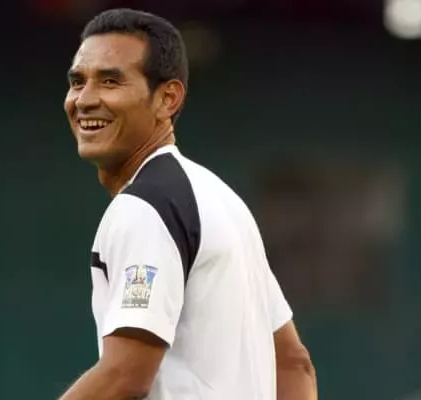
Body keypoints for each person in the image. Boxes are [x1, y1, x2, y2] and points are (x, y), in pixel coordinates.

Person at [59, 8, 317, 400]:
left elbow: (125, 375)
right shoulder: (223, 201)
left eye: (110, 81)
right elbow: (294, 364)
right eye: (78, 82)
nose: (85, 99)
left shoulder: (145, 207)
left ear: (167, 98)